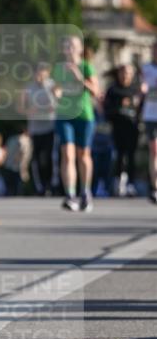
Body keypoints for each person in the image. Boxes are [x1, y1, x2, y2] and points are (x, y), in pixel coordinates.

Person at [53, 34, 99, 212]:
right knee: (67, 154)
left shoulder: (86, 66)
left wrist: (79, 77)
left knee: (84, 155)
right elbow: (56, 88)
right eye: (67, 46)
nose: (70, 49)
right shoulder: (58, 68)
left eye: (73, 46)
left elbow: (95, 91)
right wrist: (55, 93)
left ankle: (85, 191)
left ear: (80, 49)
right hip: (64, 115)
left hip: (84, 115)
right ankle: (70, 194)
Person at [104, 63, 142, 196]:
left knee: (131, 155)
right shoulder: (113, 90)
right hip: (118, 127)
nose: (125, 75)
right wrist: (119, 109)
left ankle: (131, 183)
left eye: (127, 73)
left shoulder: (136, 89)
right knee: (119, 155)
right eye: (122, 72)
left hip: (132, 127)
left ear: (132, 74)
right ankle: (118, 182)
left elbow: (141, 108)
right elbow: (107, 110)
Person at [21, 62, 57, 195]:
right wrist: (29, 110)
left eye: (42, 71)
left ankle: (51, 184)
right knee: (36, 158)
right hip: (35, 128)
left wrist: (45, 88)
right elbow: (21, 108)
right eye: (37, 71)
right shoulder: (28, 88)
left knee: (49, 157)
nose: (39, 74)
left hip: (49, 126)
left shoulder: (52, 85)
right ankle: (40, 187)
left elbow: (56, 103)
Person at [140, 41, 157, 203]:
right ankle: (155, 187)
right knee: (154, 150)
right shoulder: (146, 69)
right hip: (151, 115)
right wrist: (143, 88)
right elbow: (142, 85)